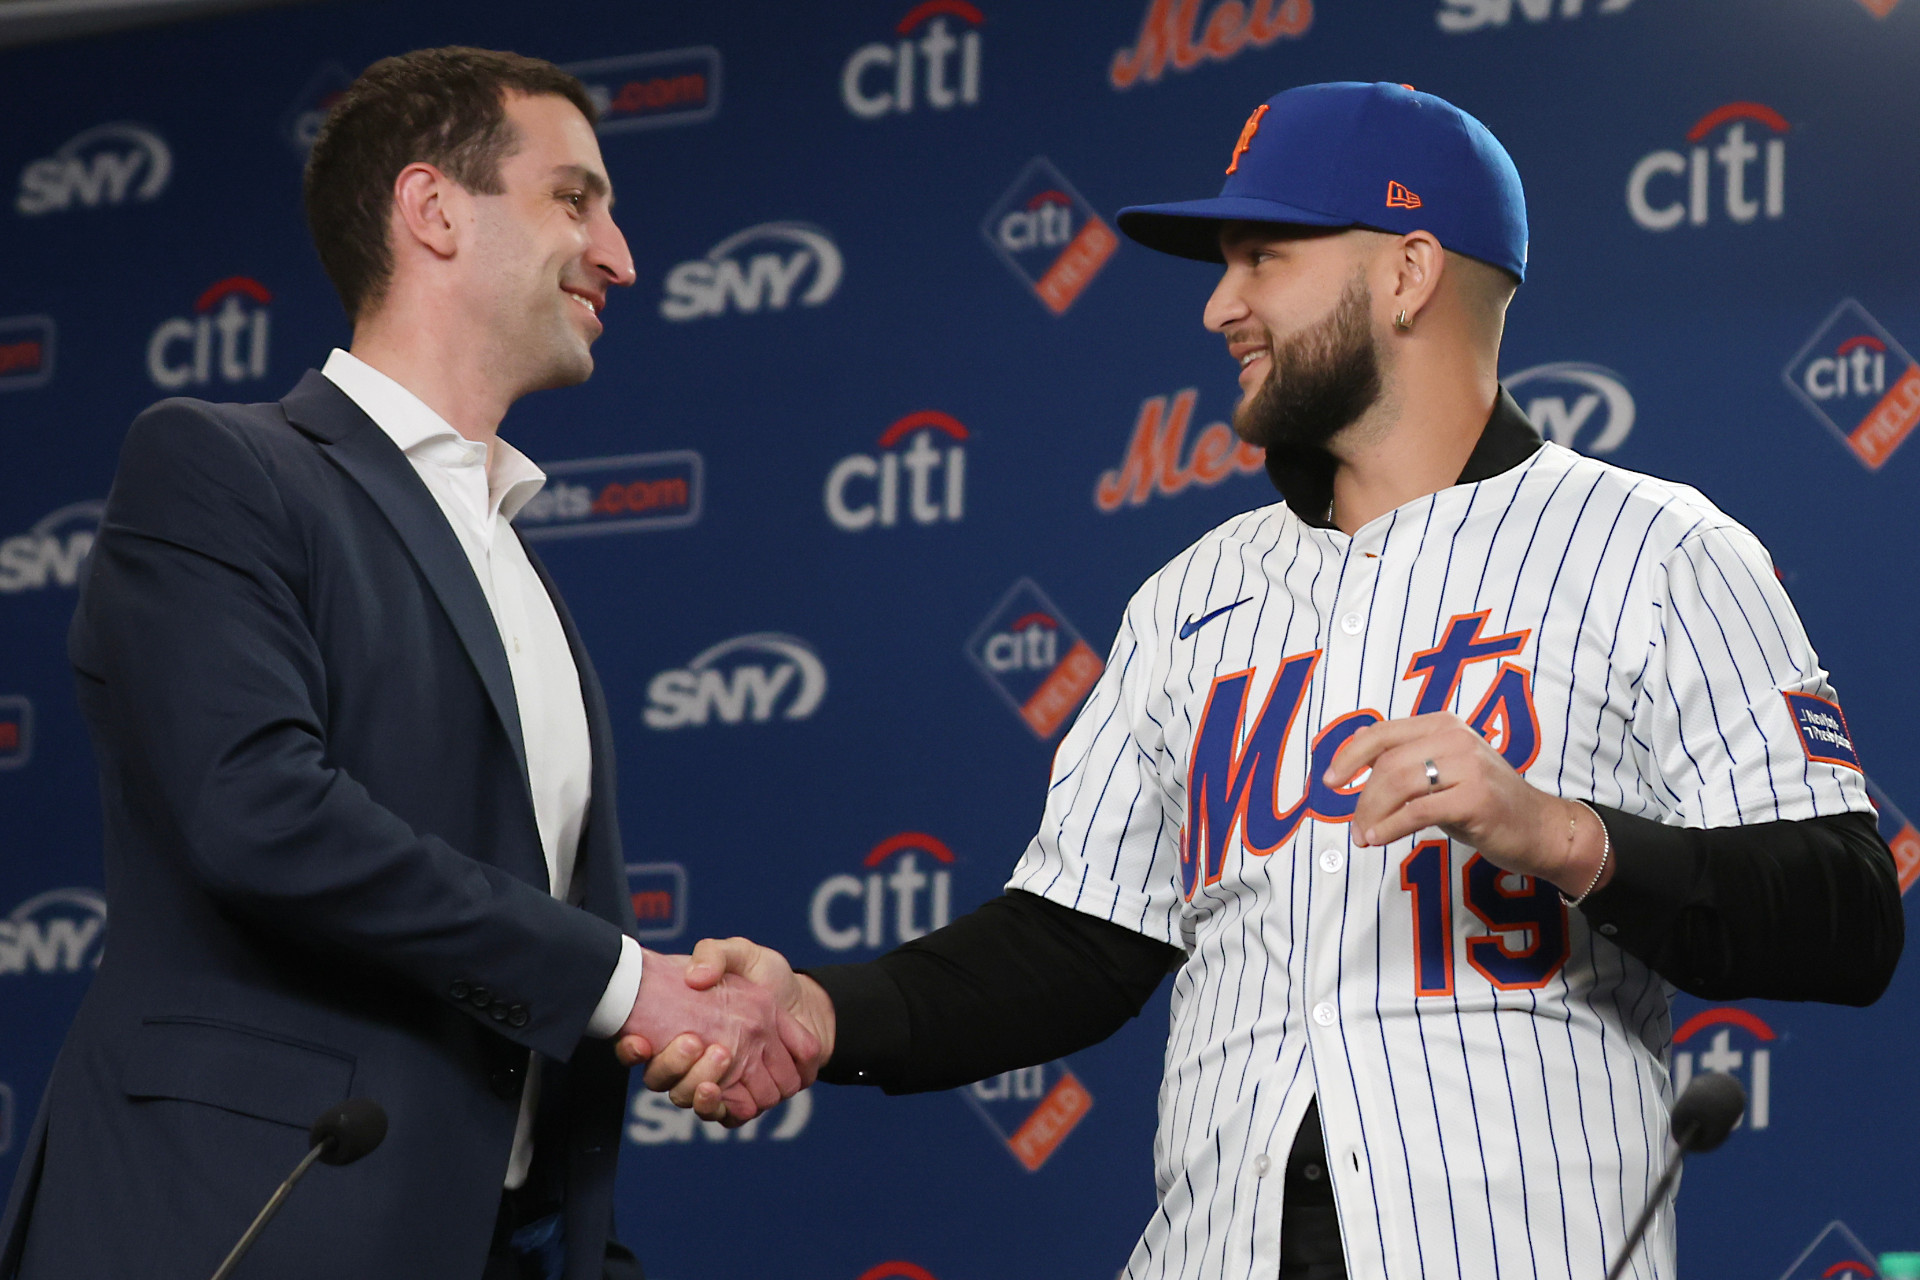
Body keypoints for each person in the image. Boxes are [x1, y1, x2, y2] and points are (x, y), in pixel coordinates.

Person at [628, 83, 1904, 1280]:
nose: (1218, 306)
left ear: (1407, 270)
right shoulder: (1191, 597)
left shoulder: (1657, 550)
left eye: (1263, 259)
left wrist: (1557, 832)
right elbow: (1075, 938)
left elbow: (1849, 912)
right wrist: (816, 1010)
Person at [0, 47, 813, 1280]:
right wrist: (628, 983)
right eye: (575, 199)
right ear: (432, 210)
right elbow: (260, 812)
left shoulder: (516, 562)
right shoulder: (216, 466)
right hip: (243, 1227)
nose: (620, 255)